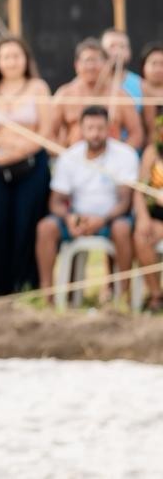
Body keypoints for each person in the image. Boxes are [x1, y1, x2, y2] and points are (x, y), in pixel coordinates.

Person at [0, 36, 54, 296]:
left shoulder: (38, 87)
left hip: (32, 167)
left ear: (25, 59)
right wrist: (8, 143)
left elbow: (45, 130)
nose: (11, 61)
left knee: (26, 224)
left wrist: (21, 149)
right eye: (6, 56)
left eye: (16, 56)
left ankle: (25, 286)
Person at [35, 106, 136, 303]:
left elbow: (125, 201)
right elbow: (55, 201)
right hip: (77, 217)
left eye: (100, 128)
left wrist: (102, 219)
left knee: (123, 229)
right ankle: (47, 297)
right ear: (81, 128)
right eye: (90, 128)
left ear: (109, 128)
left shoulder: (125, 155)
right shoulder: (70, 156)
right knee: (45, 228)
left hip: (112, 218)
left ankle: (123, 297)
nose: (95, 134)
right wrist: (69, 218)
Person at [52, 39, 143, 151]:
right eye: (87, 61)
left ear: (106, 64)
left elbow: (136, 134)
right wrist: (66, 156)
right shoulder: (65, 94)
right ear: (76, 65)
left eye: (95, 61)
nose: (91, 66)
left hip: (110, 164)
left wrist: (121, 156)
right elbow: (49, 133)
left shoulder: (119, 95)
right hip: (75, 162)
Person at [133, 131, 163, 311]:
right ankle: (156, 295)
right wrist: (143, 217)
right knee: (141, 235)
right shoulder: (153, 152)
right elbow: (139, 189)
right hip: (156, 218)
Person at [101, 28, 143, 108]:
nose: (117, 51)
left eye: (122, 46)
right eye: (112, 46)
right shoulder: (89, 83)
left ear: (129, 52)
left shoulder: (141, 85)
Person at [139, 42, 163, 145]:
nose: (158, 69)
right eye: (154, 63)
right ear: (144, 66)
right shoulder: (135, 89)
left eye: (162, 64)